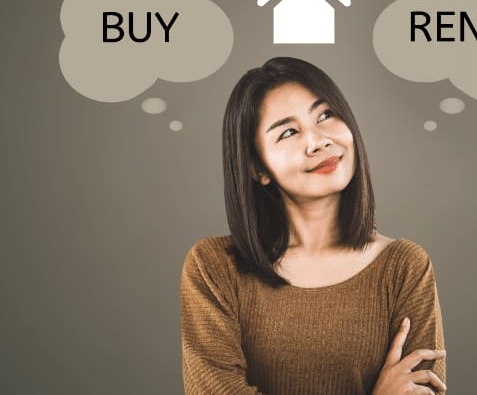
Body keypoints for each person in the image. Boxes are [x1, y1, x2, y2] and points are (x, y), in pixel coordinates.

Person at [180, 57, 446, 394]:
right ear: (257, 168)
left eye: (326, 115)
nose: (318, 140)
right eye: (289, 132)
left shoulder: (405, 267)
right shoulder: (213, 267)